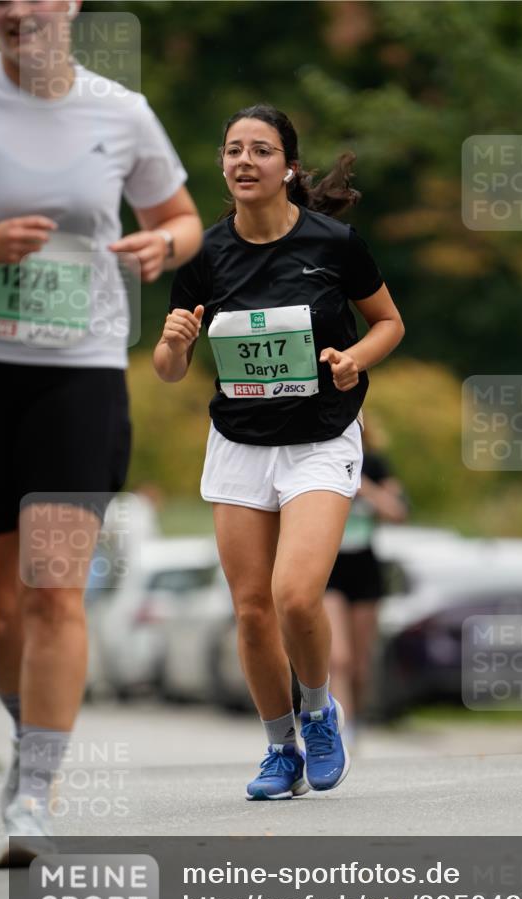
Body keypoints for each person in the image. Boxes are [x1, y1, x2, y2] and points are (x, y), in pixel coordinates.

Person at [0, 0, 202, 859]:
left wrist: (167, 249)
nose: (13, 9)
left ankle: (34, 790)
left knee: (51, 592)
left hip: (78, 375)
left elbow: (181, 218)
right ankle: (31, 733)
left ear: (70, 4)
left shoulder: (119, 112)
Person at [154, 104, 404, 800]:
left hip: (320, 439)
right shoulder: (203, 254)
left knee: (295, 596)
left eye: (260, 150)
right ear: (221, 164)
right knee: (252, 610)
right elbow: (168, 368)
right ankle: (278, 749)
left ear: (288, 167)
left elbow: (388, 322)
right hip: (238, 443)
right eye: (232, 149)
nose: (243, 161)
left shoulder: (334, 244)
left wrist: (353, 358)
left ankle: (320, 712)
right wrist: (173, 344)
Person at [324, 416, 408, 745]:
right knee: (338, 657)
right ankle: (340, 730)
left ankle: (356, 720)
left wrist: (365, 488)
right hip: (329, 566)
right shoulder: (318, 462)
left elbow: (398, 513)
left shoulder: (375, 465)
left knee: (359, 663)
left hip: (364, 567)